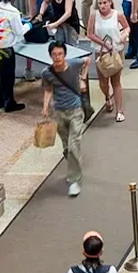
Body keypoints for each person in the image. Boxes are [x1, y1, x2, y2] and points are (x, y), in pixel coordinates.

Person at [41, 40, 87, 197]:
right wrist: (45, 106)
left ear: (65, 55)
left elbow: (87, 60)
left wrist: (82, 79)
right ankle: (75, 167)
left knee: (74, 144)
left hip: (75, 110)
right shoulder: (47, 73)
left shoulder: (74, 64)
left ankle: (74, 180)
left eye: (60, 54)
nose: (57, 57)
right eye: (54, 54)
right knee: (67, 148)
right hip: (59, 112)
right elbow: (48, 90)